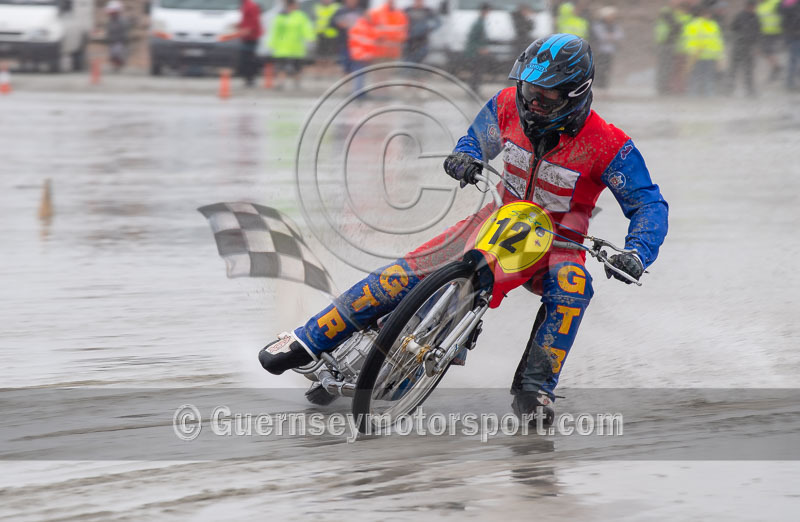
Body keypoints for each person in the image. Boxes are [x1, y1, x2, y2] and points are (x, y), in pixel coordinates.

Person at [259, 34, 669, 424]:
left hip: (558, 244)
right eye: (528, 92)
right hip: (491, 221)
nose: (532, 104)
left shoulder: (610, 145)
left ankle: (535, 389)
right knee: (409, 269)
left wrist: (636, 252)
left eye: (545, 98)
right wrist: (465, 155)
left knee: (575, 289)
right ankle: (308, 338)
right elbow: (475, 139)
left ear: (576, 95)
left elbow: (648, 204)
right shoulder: (507, 104)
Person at [266, 0, 316, 89]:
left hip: (296, 47)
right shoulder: (281, 16)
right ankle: (281, 83)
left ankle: (297, 83)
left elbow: (305, 28)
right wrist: (272, 43)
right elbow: (275, 31)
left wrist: (310, 37)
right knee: (281, 67)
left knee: (297, 67)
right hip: (282, 47)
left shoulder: (300, 16)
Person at [685, 3, 726, 96]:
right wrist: (693, 53)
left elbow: (718, 42)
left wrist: (720, 57)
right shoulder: (695, 25)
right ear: (702, 13)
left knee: (706, 78)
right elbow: (691, 41)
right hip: (698, 56)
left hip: (708, 57)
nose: (709, 15)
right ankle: (695, 97)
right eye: (707, 13)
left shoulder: (713, 25)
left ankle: (705, 98)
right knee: (697, 78)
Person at [654, 0, 694, 95]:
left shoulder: (672, 14)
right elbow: (676, 27)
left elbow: (676, 27)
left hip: (671, 44)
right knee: (668, 69)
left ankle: (667, 88)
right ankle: (665, 89)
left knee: (670, 69)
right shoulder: (666, 12)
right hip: (667, 44)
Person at [728, 0, 761, 95]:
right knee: (734, 69)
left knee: (748, 70)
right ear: (748, 6)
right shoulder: (740, 16)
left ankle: (750, 90)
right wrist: (740, 37)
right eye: (753, 7)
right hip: (739, 46)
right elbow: (733, 28)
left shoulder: (755, 17)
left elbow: (758, 32)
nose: (754, 9)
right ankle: (729, 89)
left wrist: (757, 46)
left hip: (749, 47)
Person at [591, 6, 624, 89]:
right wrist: (611, 37)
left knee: (607, 69)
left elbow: (620, 35)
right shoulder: (598, 25)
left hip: (610, 51)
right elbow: (601, 37)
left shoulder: (614, 26)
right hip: (600, 51)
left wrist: (610, 37)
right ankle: (598, 85)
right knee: (599, 69)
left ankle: (604, 86)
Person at [464, 3, 493, 93]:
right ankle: (474, 89)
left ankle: (474, 88)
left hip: (475, 52)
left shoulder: (480, 22)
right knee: (476, 71)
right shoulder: (478, 23)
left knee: (476, 71)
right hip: (475, 53)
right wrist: (479, 48)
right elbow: (473, 38)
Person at [332, 0, 364, 77]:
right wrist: (339, 24)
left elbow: (366, 25)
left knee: (356, 65)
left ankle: (355, 83)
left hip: (358, 44)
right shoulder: (340, 11)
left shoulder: (360, 12)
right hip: (344, 42)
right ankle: (346, 82)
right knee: (345, 64)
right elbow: (332, 23)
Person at [237, 0, 263, 87]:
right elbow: (246, 20)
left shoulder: (250, 5)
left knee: (249, 59)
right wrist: (239, 26)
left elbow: (254, 20)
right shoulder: (244, 5)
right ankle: (248, 78)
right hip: (246, 36)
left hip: (252, 37)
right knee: (246, 58)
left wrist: (249, 29)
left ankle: (250, 79)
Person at [757, 0, 784, 81]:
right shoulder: (760, 6)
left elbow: (786, 12)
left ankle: (776, 67)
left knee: (768, 51)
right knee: (763, 51)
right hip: (765, 33)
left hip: (776, 32)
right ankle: (776, 66)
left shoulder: (775, 2)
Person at [780, 0, 800, 90]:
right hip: (795, 37)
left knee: (793, 60)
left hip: (793, 37)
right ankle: (790, 83)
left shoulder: (790, 7)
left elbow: (784, 23)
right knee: (793, 60)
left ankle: (790, 82)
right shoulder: (794, 8)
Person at [105, 0, 129, 72]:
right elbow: (109, 31)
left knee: (117, 53)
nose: (112, 14)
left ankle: (119, 64)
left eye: (113, 13)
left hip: (119, 41)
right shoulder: (110, 21)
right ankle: (116, 65)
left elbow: (124, 33)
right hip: (112, 41)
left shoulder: (122, 21)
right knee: (112, 54)